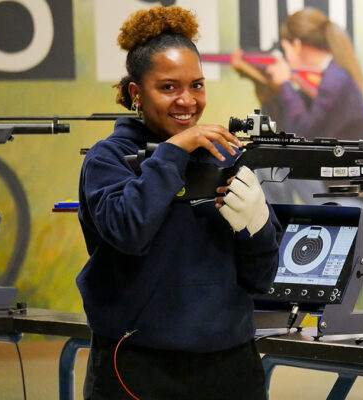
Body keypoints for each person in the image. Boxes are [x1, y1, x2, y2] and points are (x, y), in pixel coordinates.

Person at [76, 6, 279, 399]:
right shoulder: (107, 159)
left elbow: (262, 278)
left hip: (231, 365)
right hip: (135, 365)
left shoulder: (226, 159)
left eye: (197, 85)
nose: (187, 101)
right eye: (168, 87)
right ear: (136, 93)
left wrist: (258, 227)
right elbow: (129, 230)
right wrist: (174, 152)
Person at [232, 7, 363, 223]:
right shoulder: (330, 79)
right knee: (268, 162)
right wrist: (266, 88)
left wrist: (285, 84)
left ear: (296, 45)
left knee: (271, 166)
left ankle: (277, 231)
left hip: (360, 204)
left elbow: (303, 136)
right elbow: (281, 136)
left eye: (286, 50)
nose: (286, 58)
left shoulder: (335, 82)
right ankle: (277, 231)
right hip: (341, 194)